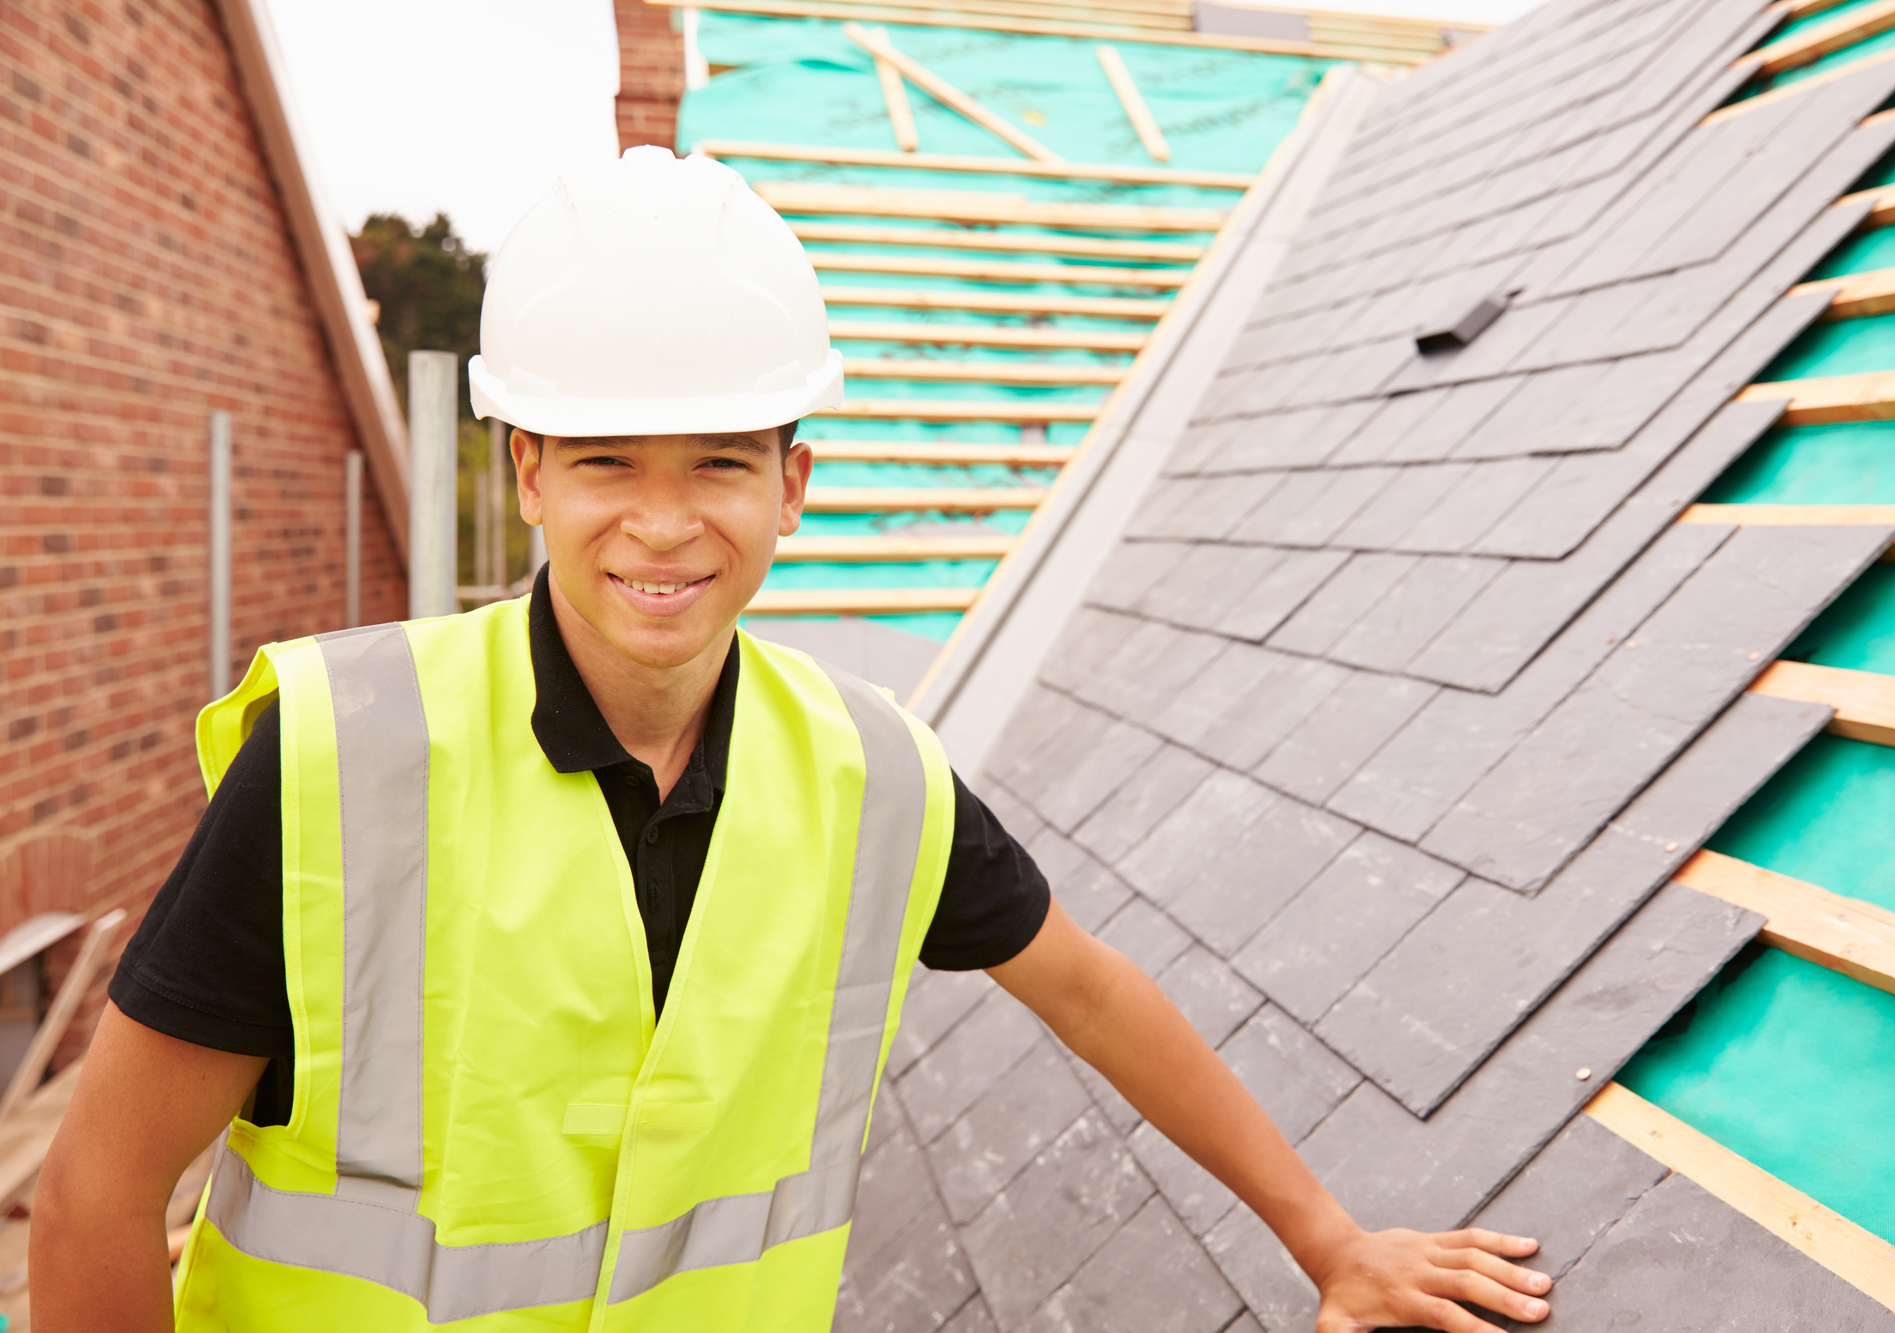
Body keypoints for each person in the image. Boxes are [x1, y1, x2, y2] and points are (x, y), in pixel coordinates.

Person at [30, 147, 1555, 1333]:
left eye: (720, 463)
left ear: (795, 483)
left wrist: (1330, 1238)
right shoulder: (341, 762)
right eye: (608, 461)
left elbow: (1088, 988)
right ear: (530, 473)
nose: (666, 521)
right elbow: (97, 1193)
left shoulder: (871, 777)